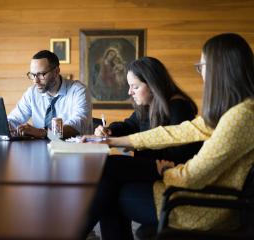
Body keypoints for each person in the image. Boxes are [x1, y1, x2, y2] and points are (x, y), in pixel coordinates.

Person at [82, 33, 254, 239]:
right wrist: (112, 140)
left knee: (109, 190)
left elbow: (192, 176)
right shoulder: (234, 110)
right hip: (195, 193)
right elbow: (176, 132)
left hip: (200, 206)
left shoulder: (241, 116)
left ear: (220, 69)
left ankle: (69, 231)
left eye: (202, 66)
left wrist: (163, 170)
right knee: (109, 181)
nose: (201, 72)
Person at [87, 56, 202, 238]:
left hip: (167, 169)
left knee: (107, 168)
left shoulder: (178, 106)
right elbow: (129, 125)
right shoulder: (148, 105)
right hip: (151, 167)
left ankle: (76, 229)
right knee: (108, 187)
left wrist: (136, 145)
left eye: (135, 86)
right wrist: (109, 130)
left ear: (153, 84)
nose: (130, 92)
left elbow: (178, 154)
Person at [8, 50, 92, 139]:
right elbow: (14, 119)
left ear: (56, 71)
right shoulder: (32, 93)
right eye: (33, 75)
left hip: (74, 149)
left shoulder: (78, 91)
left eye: (41, 74)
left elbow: (78, 124)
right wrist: (6, 125)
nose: (35, 81)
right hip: (38, 149)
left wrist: (44, 133)